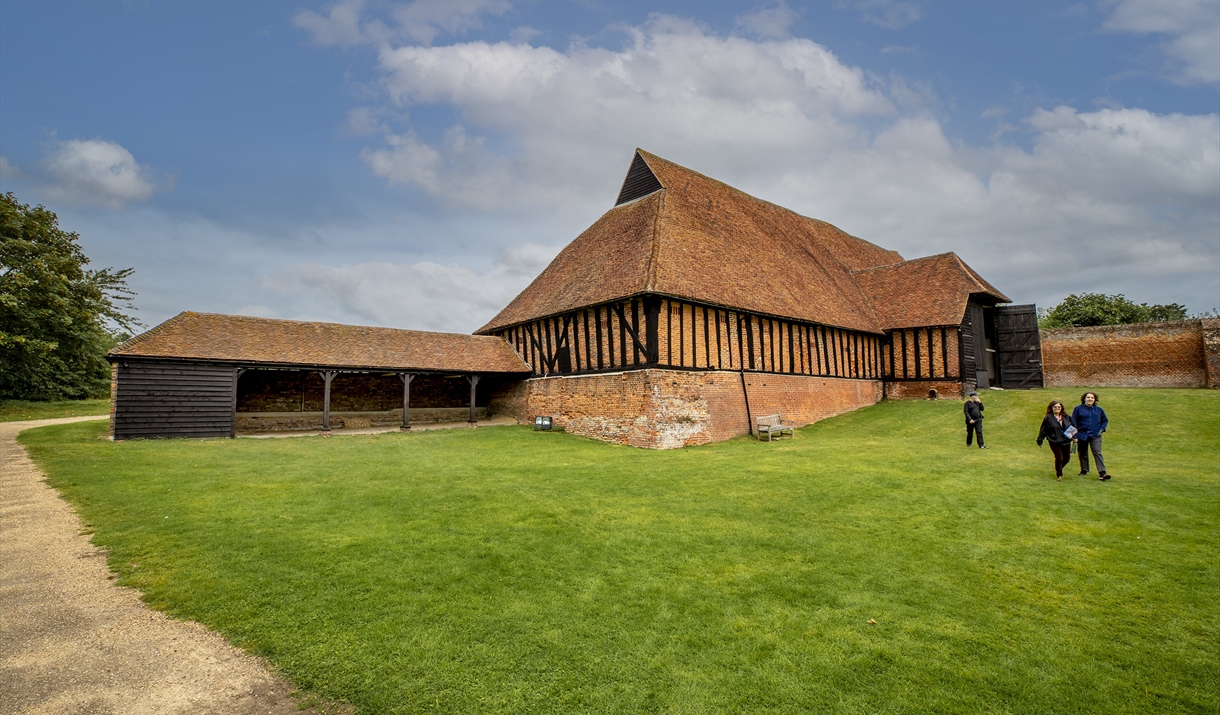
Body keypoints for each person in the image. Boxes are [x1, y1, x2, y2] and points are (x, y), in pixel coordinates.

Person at [1071, 391, 1113, 481]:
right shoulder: (1078, 409)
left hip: (1095, 434)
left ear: (1095, 400)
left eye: (1092, 398)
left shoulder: (1099, 410)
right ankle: (1084, 470)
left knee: (1097, 452)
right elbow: (1073, 422)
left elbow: (1104, 421)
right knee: (1082, 452)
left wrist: (1101, 429)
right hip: (1082, 434)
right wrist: (1074, 436)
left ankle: (1102, 472)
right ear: (1084, 399)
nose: (1090, 399)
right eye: (1088, 397)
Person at [1036, 400, 1075, 481]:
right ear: (1051, 408)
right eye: (1055, 407)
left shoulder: (1066, 416)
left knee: (1066, 459)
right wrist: (1040, 439)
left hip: (1066, 440)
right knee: (1059, 458)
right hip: (1054, 440)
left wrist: (1075, 436)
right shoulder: (1048, 417)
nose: (1057, 408)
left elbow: (1073, 426)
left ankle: (1059, 468)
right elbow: (1043, 429)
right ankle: (1059, 475)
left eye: (1059, 407)